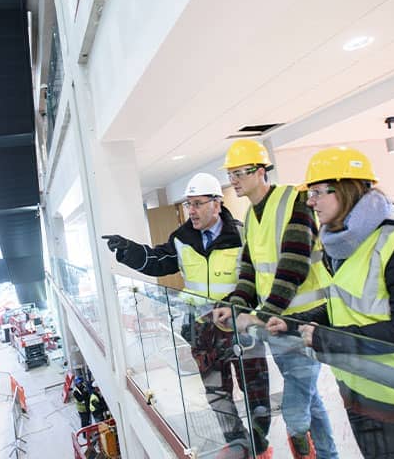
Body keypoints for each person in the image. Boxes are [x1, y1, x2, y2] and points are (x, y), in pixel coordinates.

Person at [253, 146, 394, 459]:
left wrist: (326, 338)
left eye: (317, 192)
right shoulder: (342, 246)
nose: (310, 202)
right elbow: (342, 305)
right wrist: (295, 323)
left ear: (346, 189)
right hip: (358, 391)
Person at [103, 172, 271, 459]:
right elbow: (158, 261)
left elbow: (258, 279)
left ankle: (259, 442)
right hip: (204, 331)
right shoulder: (182, 238)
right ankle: (237, 443)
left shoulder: (243, 235)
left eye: (197, 203)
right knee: (216, 393)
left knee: (256, 389)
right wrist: (130, 251)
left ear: (216, 203)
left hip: (241, 327)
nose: (190, 210)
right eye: (188, 204)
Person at [213, 139, 338, 459]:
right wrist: (235, 305)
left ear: (260, 171)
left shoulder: (294, 201)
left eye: (240, 172)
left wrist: (261, 314)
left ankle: (307, 446)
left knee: (296, 408)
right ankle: (329, 455)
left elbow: (293, 265)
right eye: (230, 174)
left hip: (307, 319)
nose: (233, 180)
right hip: (277, 323)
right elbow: (249, 271)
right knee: (309, 397)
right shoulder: (251, 216)